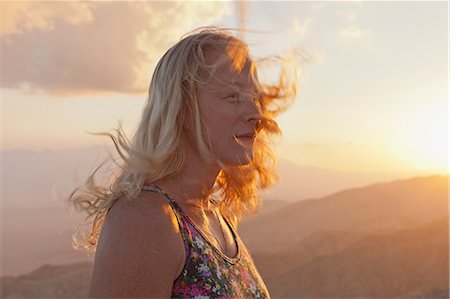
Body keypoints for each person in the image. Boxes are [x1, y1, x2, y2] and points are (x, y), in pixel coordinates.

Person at [69, 27, 297, 298]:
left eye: (253, 98)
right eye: (233, 96)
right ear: (183, 108)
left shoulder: (214, 216)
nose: (255, 113)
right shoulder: (144, 219)